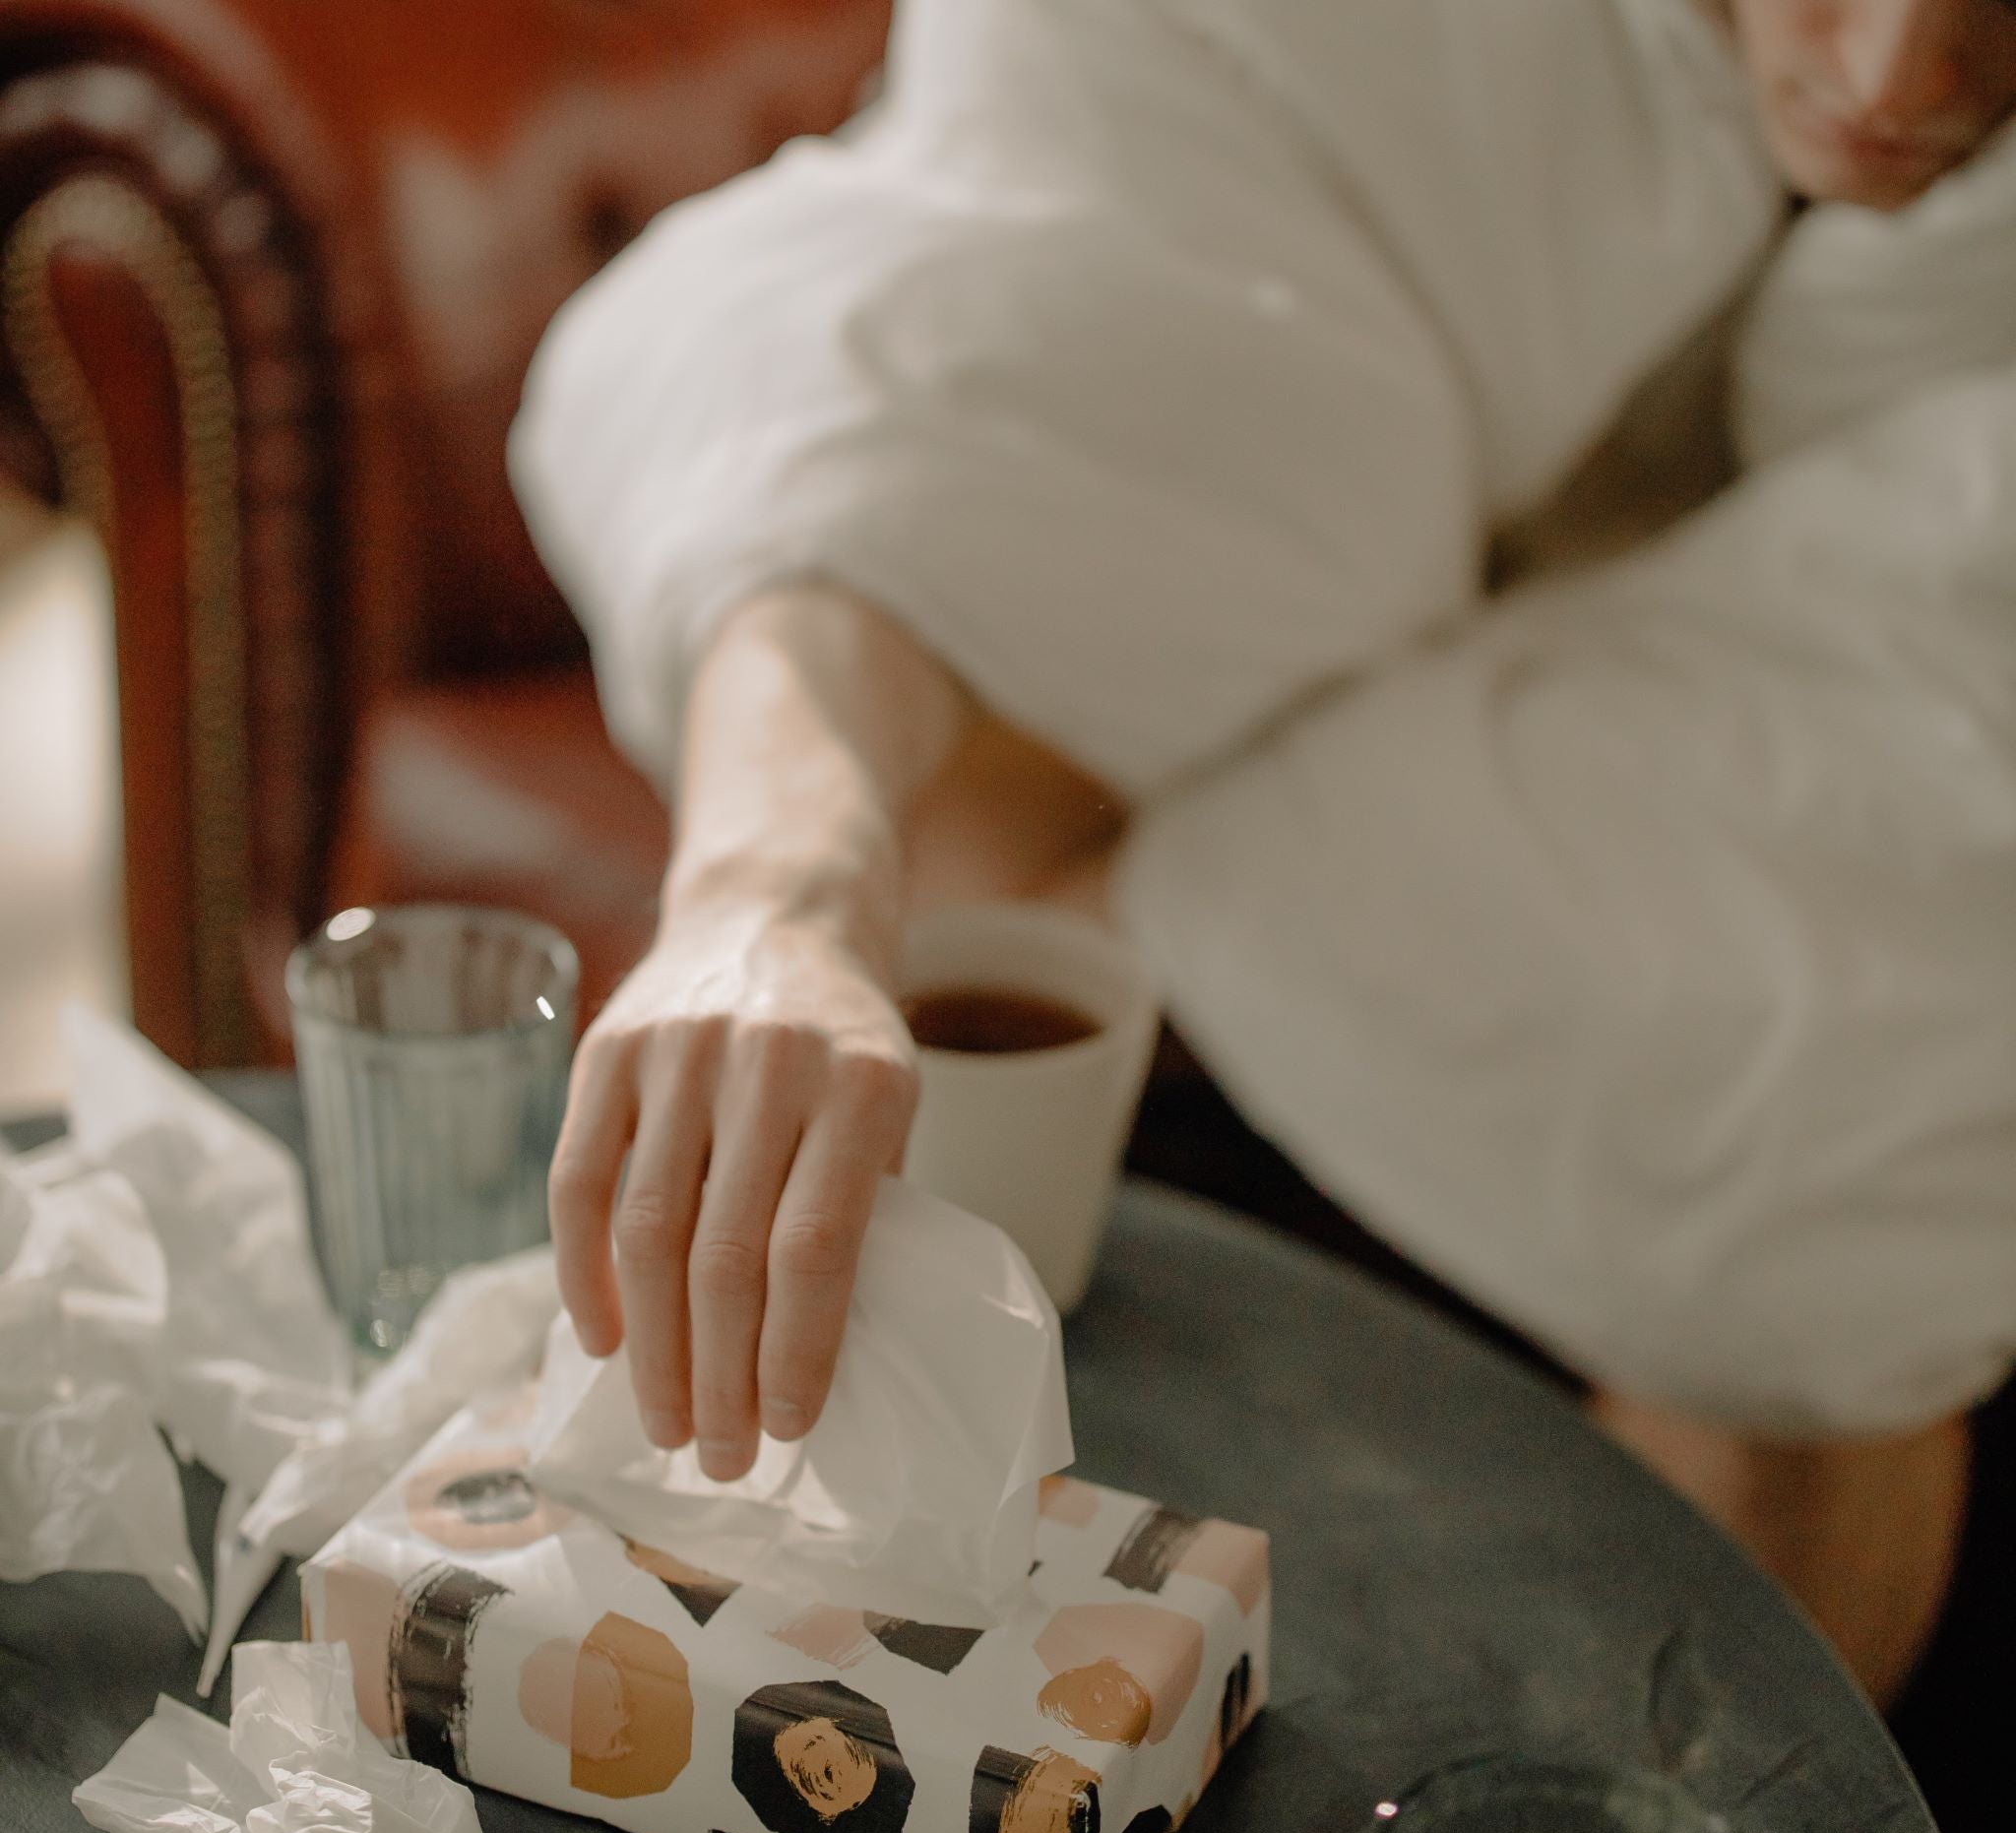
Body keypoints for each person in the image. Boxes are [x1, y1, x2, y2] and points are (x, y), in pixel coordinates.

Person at [510, 0, 2016, 1705]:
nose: (1903, 76)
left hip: (1624, 778)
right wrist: (769, 894)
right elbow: (986, 337)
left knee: (1820, 1150)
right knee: (966, 837)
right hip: (1219, 695)